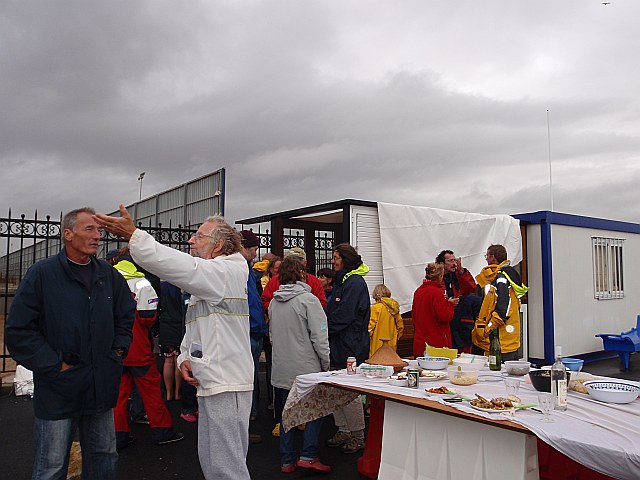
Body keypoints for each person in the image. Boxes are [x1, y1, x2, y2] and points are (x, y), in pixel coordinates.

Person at [95, 205, 253, 480]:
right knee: (214, 462)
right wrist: (185, 358)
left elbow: (182, 267)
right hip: (215, 379)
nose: (191, 240)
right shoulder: (213, 277)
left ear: (217, 246)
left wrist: (135, 235)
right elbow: (198, 326)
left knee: (227, 467)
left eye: (199, 236)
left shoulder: (225, 271)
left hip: (227, 381)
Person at [6, 207, 135, 480]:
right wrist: (54, 364)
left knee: (104, 457)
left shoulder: (108, 275)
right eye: (89, 229)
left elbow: (125, 317)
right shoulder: (42, 275)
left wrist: (117, 351)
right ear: (68, 234)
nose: (98, 236)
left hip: (100, 385)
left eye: (99, 231)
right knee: (51, 465)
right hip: (58, 389)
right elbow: (19, 331)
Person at [112, 253, 184, 449]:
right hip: (138, 348)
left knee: (118, 393)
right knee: (152, 391)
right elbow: (147, 317)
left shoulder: (106, 279)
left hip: (114, 349)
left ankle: (118, 435)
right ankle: (162, 431)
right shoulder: (141, 283)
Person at [268, 257, 331, 473]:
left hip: (281, 367)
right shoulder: (308, 300)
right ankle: (308, 455)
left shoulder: (274, 302)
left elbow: (272, 337)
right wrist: (326, 364)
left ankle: (287, 460)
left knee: (288, 415)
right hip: (306, 368)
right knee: (315, 411)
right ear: (302, 274)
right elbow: (320, 337)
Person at [325, 243, 370, 454]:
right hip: (340, 344)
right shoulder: (343, 281)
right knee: (336, 389)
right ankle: (343, 429)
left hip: (350, 346)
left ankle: (358, 434)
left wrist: (323, 329)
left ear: (345, 259)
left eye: (336, 257)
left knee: (349, 391)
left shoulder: (354, 283)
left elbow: (345, 316)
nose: (332, 260)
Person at [472, 244, 528, 361]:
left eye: (487, 255)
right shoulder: (508, 275)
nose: (486, 259)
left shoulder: (501, 278)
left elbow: (503, 309)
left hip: (500, 340)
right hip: (506, 338)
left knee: (499, 374)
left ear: (493, 257)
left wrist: (488, 328)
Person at [240, 230, 268, 442]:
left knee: (250, 377)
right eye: (254, 248)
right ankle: (244, 422)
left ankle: (251, 414)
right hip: (249, 330)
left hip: (254, 329)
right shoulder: (239, 269)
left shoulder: (248, 270)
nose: (256, 252)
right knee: (246, 377)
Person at [435, 249, 481, 354]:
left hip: (461, 322)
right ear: (442, 263)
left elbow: (471, 288)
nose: (454, 264)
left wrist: (461, 272)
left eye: (454, 260)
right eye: (450, 261)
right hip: (446, 321)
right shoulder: (436, 278)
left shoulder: (459, 275)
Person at [411, 262, 457, 357]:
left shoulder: (418, 292)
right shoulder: (437, 293)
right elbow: (445, 316)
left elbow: (414, 317)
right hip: (436, 344)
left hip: (421, 342)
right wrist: (450, 304)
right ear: (440, 276)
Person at [261, 247, 327, 311]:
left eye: (297, 261)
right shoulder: (275, 280)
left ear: (305, 263)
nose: (294, 264)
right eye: (291, 261)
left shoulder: (313, 281)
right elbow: (264, 302)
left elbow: (322, 303)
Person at [368, 284, 404, 357]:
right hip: (391, 341)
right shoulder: (394, 307)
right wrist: (397, 336)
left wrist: (368, 336)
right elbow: (400, 325)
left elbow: (370, 326)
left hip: (377, 342)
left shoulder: (375, 308)